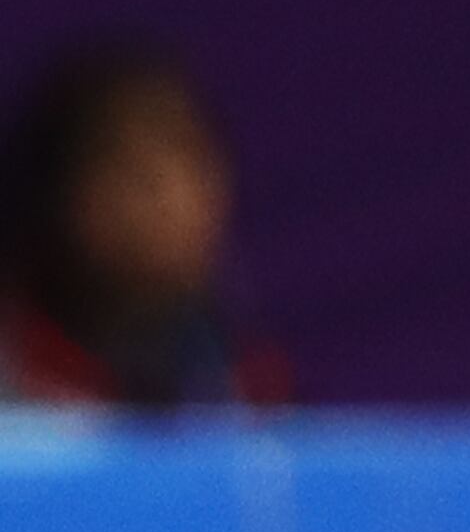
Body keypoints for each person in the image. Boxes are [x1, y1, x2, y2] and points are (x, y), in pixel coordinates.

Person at [0, 40, 284, 410]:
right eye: (138, 174)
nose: (173, 202)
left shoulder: (240, 387)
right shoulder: (16, 380)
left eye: (191, 163)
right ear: (67, 195)